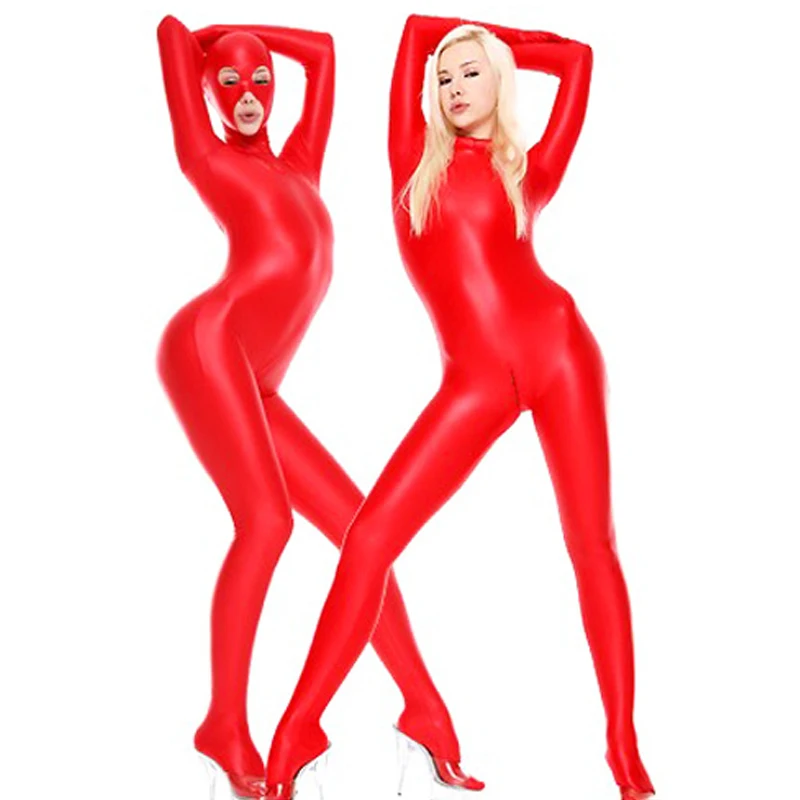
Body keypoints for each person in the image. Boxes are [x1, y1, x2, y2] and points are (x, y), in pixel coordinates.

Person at [264, 14, 656, 800]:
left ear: (499, 81)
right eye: (444, 78)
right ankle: (302, 726)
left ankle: (624, 751)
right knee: (370, 538)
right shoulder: (412, 161)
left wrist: (502, 43)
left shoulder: (525, 172)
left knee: (593, 545)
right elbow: (414, 28)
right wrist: (473, 43)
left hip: (563, 354)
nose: (454, 86)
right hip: (475, 384)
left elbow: (578, 59)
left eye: (471, 73)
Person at [155, 15, 480, 799]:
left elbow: (325, 53)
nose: (246, 95)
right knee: (266, 522)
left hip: (258, 380)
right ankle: (223, 724)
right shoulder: (206, 157)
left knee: (365, 533)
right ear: (208, 92)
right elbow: (169, 31)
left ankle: (424, 708)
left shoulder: (300, 165)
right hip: (208, 347)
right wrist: (204, 46)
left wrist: (237, 38)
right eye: (229, 83)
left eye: (259, 81)